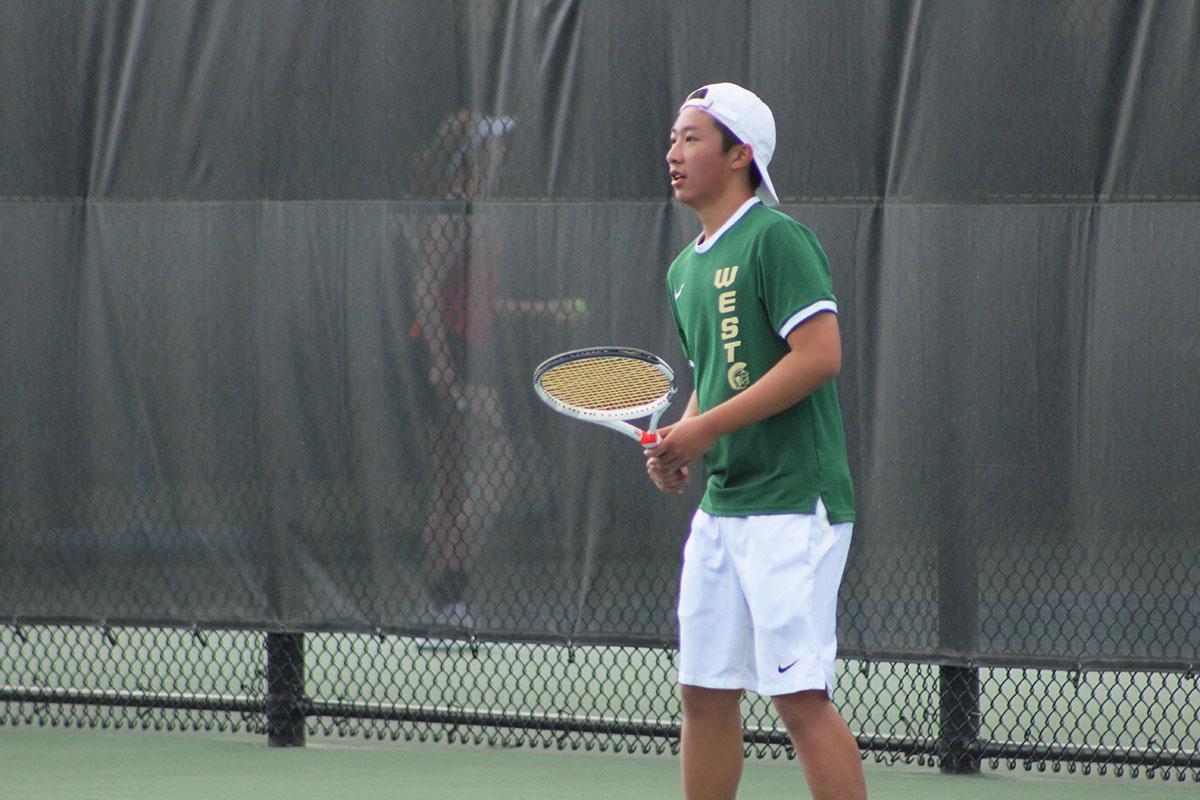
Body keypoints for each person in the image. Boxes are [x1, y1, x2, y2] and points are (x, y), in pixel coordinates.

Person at [645, 83, 867, 799]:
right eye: (674, 138)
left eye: (691, 139)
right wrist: (685, 441)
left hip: (793, 504)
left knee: (799, 698)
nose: (673, 152)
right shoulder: (686, 270)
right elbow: (720, 376)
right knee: (704, 692)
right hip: (725, 508)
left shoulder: (777, 238)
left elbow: (818, 354)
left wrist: (703, 426)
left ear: (740, 154)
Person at [399, 110, 585, 648]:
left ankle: (444, 603)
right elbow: (427, 292)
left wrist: (541, 309)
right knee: (494, 473)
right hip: (448, 356)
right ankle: (449, 602)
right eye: (493, 147)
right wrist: (442, 364)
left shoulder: (477, 212)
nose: (502, 155)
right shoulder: (454, 213)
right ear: (470, 158)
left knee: (452, 486)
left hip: (456, 349)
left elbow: (471, 299)